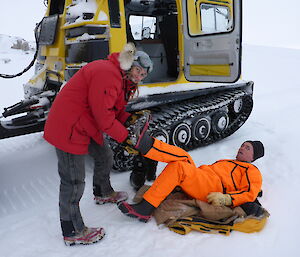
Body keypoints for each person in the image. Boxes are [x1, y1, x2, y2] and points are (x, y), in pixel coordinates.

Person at [43, 42, 153, 246]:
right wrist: (126, 137)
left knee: (104, 155)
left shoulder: (120, 77)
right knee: (73, 181)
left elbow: (112, 108)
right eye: (138, 71)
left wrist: (128, 120)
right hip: (69, 127)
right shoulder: (108, 74)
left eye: (143, 75)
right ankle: (73, 230)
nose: (139, 77)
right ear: (130, 64)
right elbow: (104, 119)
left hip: (85, 121)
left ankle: (103, 193)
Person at [118, 136, 265, 223]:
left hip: (213, 189)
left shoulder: (252, 171)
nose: (242, 148)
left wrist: (227, 199)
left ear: (253, 157)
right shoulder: (227, 161)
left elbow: (250, 193)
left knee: (180, 167)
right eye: (242, 145)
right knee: (183, 156)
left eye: (247, 148)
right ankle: (147, 145)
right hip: (203, 179)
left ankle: (146, 207)